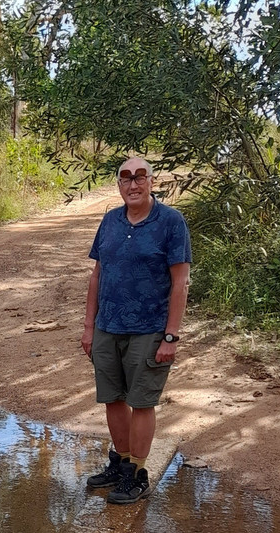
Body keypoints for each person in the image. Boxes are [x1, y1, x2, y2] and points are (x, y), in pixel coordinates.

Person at [81, 157, 191, 504]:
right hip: (108, 326)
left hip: (149, 329)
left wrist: (170, 335)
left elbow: (181, 282)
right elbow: (98, 274)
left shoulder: (171, 222)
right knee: (112, 398)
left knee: (141, 402)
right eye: (125, 178)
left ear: (151, 182)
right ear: (118, 184)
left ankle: (138, 474)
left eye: (139, 177)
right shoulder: (110, 220)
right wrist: (89, 326)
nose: (133, 184)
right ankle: (121, 462)